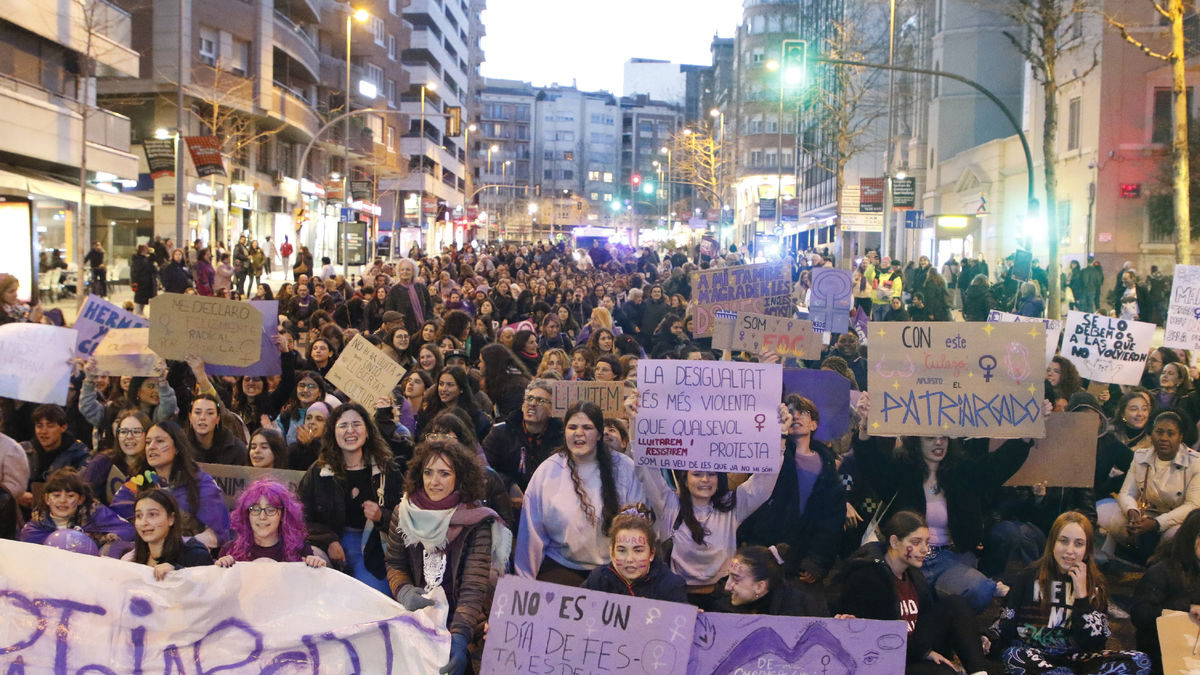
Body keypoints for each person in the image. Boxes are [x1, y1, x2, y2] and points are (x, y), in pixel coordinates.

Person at [852, 392, 1035, 613]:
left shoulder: (963, 472)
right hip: (906, 558)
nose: (938, 442)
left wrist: (1027, 435)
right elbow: (870, 463)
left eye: (944, 437)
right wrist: (865, 423)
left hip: (951, 559)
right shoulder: (901, 471)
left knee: (979, 591)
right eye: (930, 438)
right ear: (917, 441)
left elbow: (998, 466)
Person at [386, 438, 511, 675]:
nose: (434, 481)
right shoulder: (403, 512)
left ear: (459, 477)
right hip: (415, 614)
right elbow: (395, 563)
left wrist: (459, 636)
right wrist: (404, 591)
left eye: (444, 473)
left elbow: (473, 587)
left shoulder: (477, 521)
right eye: (428, 472)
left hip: (459, 617)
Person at [986, 511, 1151, 675]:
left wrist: (1082, 597)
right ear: (1052, 543)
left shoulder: (1096, 582)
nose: (1070, 550)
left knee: (1140, 661)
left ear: (1087, 550)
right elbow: (1005, 622)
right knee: (1013, 655)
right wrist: (988, 638)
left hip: (1077, 660)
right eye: (1063, 541)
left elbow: (1097, 642)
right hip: (1034, 656)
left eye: (1079, 544)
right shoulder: (1028, 575)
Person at [839, 511, 996, 675]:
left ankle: (979, 673)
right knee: (945, 673)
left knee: (957, 604)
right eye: (916, 542)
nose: (924, 549)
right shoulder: (867, 577)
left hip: (913, 648)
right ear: (894, 542)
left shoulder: (913, 574)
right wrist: (924, 652)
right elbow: (877, 640)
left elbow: (925, 621)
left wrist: (926, 650)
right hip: (886, 659)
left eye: (927, 542)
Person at [515, 402, 644, 586]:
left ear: (599, 434)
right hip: (561, 566)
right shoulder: (548, 471)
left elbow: (639, 522)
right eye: (572, 427)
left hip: (615, 570)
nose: (579, 433)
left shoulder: (624, 468)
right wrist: (524, 583)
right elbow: (531, 531)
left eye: (587, 427)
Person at [738, 394, 845, 594]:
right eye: (790, 411)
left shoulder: (828, 470)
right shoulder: (772, 455)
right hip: (764, 549)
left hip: (801, 560)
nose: (796, 416)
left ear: (814, 424)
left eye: (803, 412)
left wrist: (817, 562)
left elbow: (831, 523)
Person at [298, 402, 404, 594]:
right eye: (343, 425)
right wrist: (329, 541)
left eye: (356, 424)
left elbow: (406, 519)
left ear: (367, 431)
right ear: (333, 432)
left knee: (372, 596)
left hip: (373, 550)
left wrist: (382, 516)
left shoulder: (387, 470)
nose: (350, 431)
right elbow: (300, 516)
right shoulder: (318, 471)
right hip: (326, 545)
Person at [110, 420, 231, 550]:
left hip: (188, 553)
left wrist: (178, 545)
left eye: (159, 441)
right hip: (144, 552)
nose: (151, 447)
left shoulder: (200, 483)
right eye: (148, 442)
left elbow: (217, 534)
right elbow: (115, 520)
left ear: (177, 447)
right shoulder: (138, 482)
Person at [1101, 410, 1200, 563]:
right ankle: (1120, 560)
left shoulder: (1195, 463)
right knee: (1117, 521)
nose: (1163, 438)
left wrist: (1157, 523)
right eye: (1159, 432)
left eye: (1170, 433)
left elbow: (1193, 505)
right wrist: (1132, 513)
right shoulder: (1140, 456)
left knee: (1173, 536)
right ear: (1151, 434)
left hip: (1178, 521)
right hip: (1147, 514)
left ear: (1180, 437)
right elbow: (1126, 493)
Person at [1132, 509, 1200, 669]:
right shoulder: (1163, 571)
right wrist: (1187, 609)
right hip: (1164, 654)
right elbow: (1140, 615)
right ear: (1190, 538)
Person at [581, 503, 688, 603]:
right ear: (612, 553)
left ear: (651, 554)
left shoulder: (672, 586)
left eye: (638, 550)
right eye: (622, 550)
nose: (629, 559)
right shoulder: (598, 579)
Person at [483, 378, 566, 498]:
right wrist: (508, 485)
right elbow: (483, 466)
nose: (532, 404)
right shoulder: (500, 433)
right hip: (508, 501)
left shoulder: (561, 438)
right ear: (522, 406)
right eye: (529, 399)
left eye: (540, 400)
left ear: (552, 410)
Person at [215, 479, 325, 567]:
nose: (262, 516)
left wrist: (316, 567)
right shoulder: (229, 550)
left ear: (283, 515)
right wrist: (221, 569)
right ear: (247, 514)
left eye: (271, 510)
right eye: (255, 509)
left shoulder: (300, 550)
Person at [20, 467, 134, 550]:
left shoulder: (96, 514)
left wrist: (100, 541)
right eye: (56, 495)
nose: (62, 500)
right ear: (47, 499)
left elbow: (128, 530)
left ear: (80, 499)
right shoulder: (34, 529)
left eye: (70, 496)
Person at [713, 544, 827, 616]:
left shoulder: (803, 607)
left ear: (760, 587)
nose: (727, 586)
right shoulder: (719, 605)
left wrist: (837, 624)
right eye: (728, 576)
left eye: (735, 579)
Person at [124, 488, 213, 579]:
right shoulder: (130, 560)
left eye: (152, 514)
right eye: (139, 516)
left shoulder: (195, 555)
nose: (143, 522)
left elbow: (209, 585)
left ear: (171, 519)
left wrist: (177, 572)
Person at [20, 404, 90, 509]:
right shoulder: (22, 450)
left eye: (50, 426)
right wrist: (18, 494)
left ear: (63, 427)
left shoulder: (79, 453)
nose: (44, 431)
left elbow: (82, 487)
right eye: (39, 426)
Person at [80, 410, 150, 505]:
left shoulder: (154, 466)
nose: (129, 436)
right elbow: (84, 498)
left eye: (136, 431)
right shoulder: (102, 462)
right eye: (124, 432)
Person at [187, 394, 248, 466]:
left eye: (210, 413)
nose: (202, 417)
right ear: (190, 417)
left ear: (218, 418)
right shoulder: (180, 446)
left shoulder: (237, 449)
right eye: (197, 412)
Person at [384, 258, 434, 335]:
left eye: (408, 269)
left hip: (423, 330)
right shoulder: (394, 290)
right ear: (399, 272)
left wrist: (428, 322)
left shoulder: (421, 287)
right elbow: (389, 313)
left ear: (413, 271)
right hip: (403, 331)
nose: (405, 272)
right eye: (402, 269)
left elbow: (429, 307)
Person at [130, 244, 158, 315]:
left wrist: (152, 253)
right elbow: (134, 272)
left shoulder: (146, 259)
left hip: (148, 284)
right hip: (141, 284)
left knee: (144, 301)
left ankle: (140, 314)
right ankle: (138, 315)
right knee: (139, 302)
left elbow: (153, 265)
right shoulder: (138, 260)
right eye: (147, 248)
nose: (148, 249)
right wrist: (135, 282)